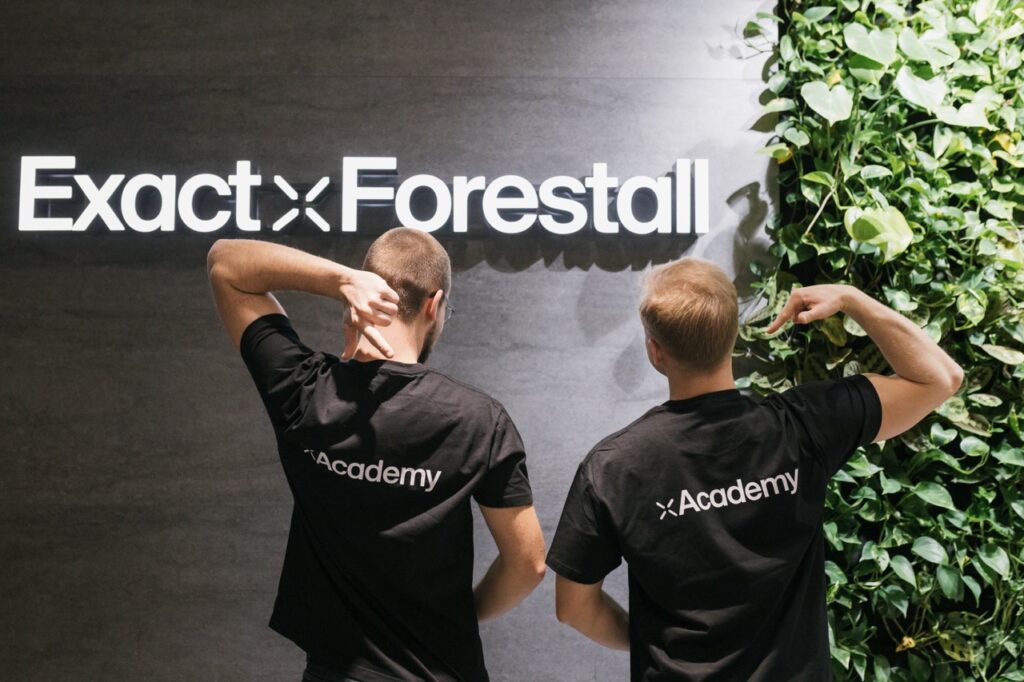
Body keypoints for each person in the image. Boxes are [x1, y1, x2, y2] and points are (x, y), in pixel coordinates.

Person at [546, 258, 964, 680]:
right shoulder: (803, 425)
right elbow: (941, 377)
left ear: (655, 352)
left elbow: (574, 607)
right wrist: (852, 299)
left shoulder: (613, 467)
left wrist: (646, 640)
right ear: (732, 336)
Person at [207, 229, 546, 682]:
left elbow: (225, 262)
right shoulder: (479, 420)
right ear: (434, 305)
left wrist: (340, 281)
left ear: (362, 293)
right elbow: (529, 563)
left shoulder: (306, 392)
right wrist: (467, 613)